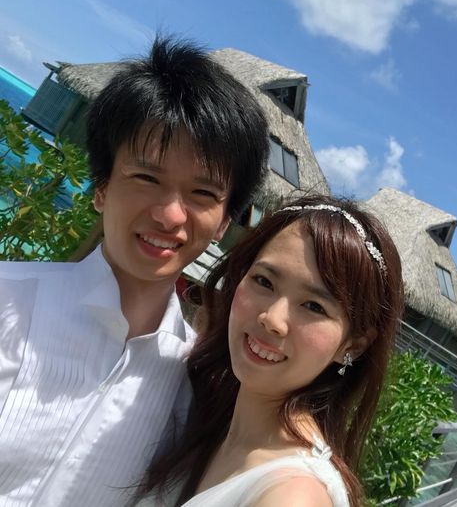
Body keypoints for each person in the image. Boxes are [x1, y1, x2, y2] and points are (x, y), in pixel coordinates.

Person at [0, 36, 269, 506]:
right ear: (101, 187)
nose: (170, 215)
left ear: (224, 223)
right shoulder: (9, 300)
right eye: (146, 177)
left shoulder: (193, 387)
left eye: (203, 194)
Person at [138, 195, 404, 507]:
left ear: (353, 345)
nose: (272, 319)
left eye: (313, 306)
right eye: (264, 281)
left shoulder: (292, 496)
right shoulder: (207, 418)